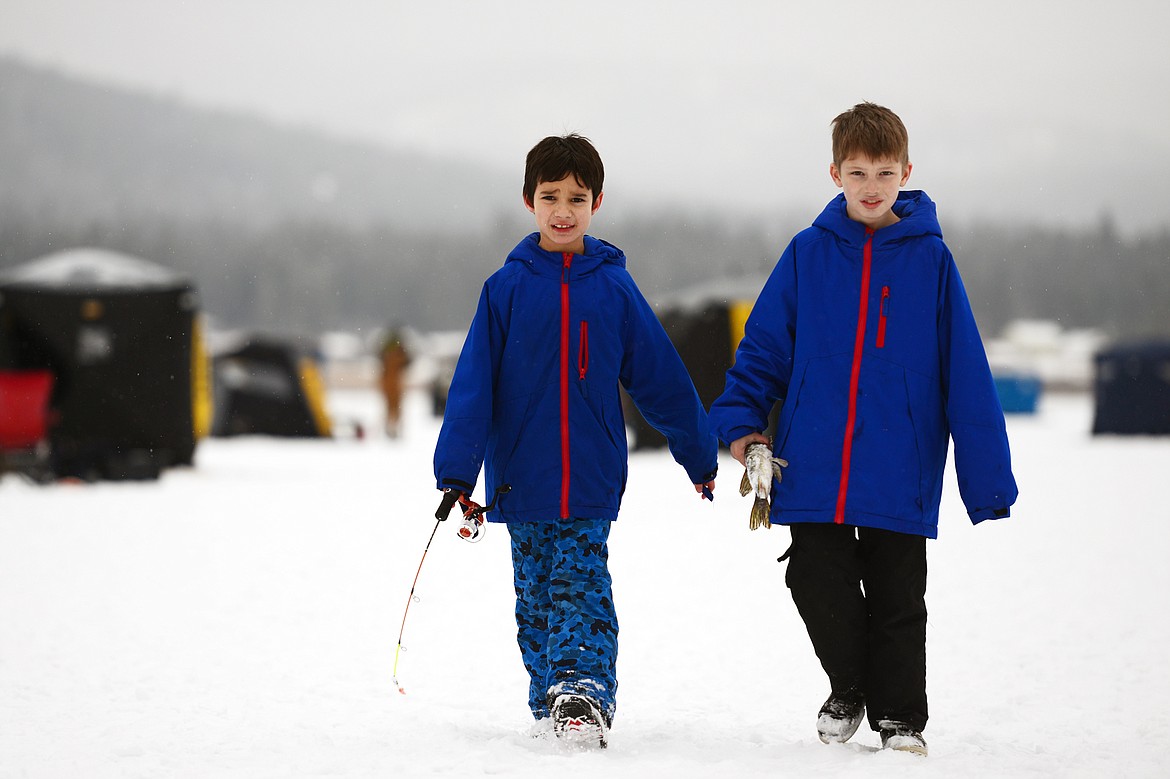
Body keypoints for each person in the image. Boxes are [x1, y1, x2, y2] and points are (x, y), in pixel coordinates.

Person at [708, 103, 1017, 756]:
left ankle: (901, 718)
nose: (871, 185)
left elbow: (966, 371)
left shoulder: (932, 262)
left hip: (899, 463)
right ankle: (849, 684)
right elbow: (762, 349)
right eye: (857, 172)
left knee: (899, 597)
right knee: (813, 576)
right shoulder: (807, 255)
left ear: (906, 171)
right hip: (811, 458)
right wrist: (740, 425)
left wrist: (986, 478)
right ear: (835, 174)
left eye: (883, 171)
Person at [432, 134, 718, 749]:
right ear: (529, 202)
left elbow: (661, 377)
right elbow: (473, 388)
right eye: (550, 196)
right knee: (535, 597)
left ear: (597, 202)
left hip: (589, 477)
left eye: (577, 198)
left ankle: (583, 690)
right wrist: (456, 471)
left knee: (580, 583)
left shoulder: (613, 289)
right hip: (520, 478)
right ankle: (549, 697)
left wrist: (697, 450)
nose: (563, 210)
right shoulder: (504, 290)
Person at [379, 327, 410, 438]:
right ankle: (393, 428)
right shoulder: (399, 353)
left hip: (388, 382)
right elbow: (407, 362)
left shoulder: (385, 352)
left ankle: (390, 428)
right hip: (395, 383)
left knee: (390, 407)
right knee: (396, 407)